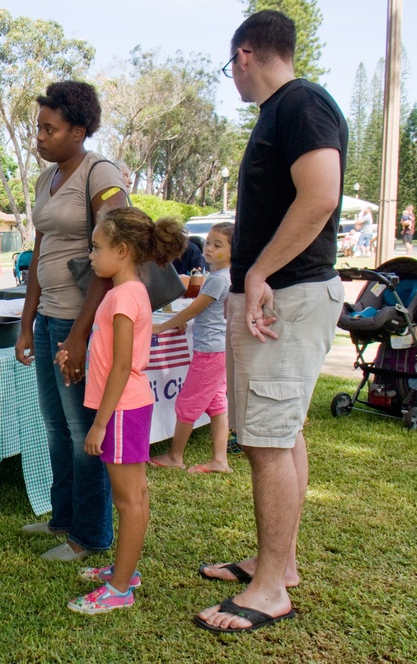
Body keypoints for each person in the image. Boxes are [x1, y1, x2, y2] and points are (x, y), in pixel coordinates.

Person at [196, 10, 346, 633]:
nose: (230, 75)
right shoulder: (281, 111)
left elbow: (321, 194)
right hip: (275, 297)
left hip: (284, 297)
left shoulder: (300, 102)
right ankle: (276, 563)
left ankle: (269, 591)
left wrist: (257, 275)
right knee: (281, 432)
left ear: (246, 53)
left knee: (264, 442)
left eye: (228, 64)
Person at [16, 81, 129, 562]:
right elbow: (42, 250)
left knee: (85, 434)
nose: (39, 137)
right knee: (55, 428)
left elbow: (119, 250)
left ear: (79, 130)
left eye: (49, 128)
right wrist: (27, 322)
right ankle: (63, 517)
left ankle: (91, 535)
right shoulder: (48, 179)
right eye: (37, 127)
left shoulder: (99, 173)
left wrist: (81, 334)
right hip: (48, 320)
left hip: (82, 323)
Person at [58, 208, 186, 614]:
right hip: (125, 406)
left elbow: (123, 364)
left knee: (130, 500)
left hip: (121, 410)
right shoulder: (123, 293)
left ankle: (119, 589)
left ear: (123, 249)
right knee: (135, 496)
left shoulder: (124, 296)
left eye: (96, 248)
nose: (91, 256)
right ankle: (124, 572)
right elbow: (108, 353)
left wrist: (98, 424)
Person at [149, 222, 234, 473]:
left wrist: (161, 327)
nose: (208, 248)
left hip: (210, 352)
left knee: (188, 403)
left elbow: (193, 309)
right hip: (218, 349)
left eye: (217, 245)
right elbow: (205, 314)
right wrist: (185, 324)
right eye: (208, 242)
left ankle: (175, 455)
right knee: (217, 403)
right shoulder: (225, 277)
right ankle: (220, 459)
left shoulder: (218, 280)